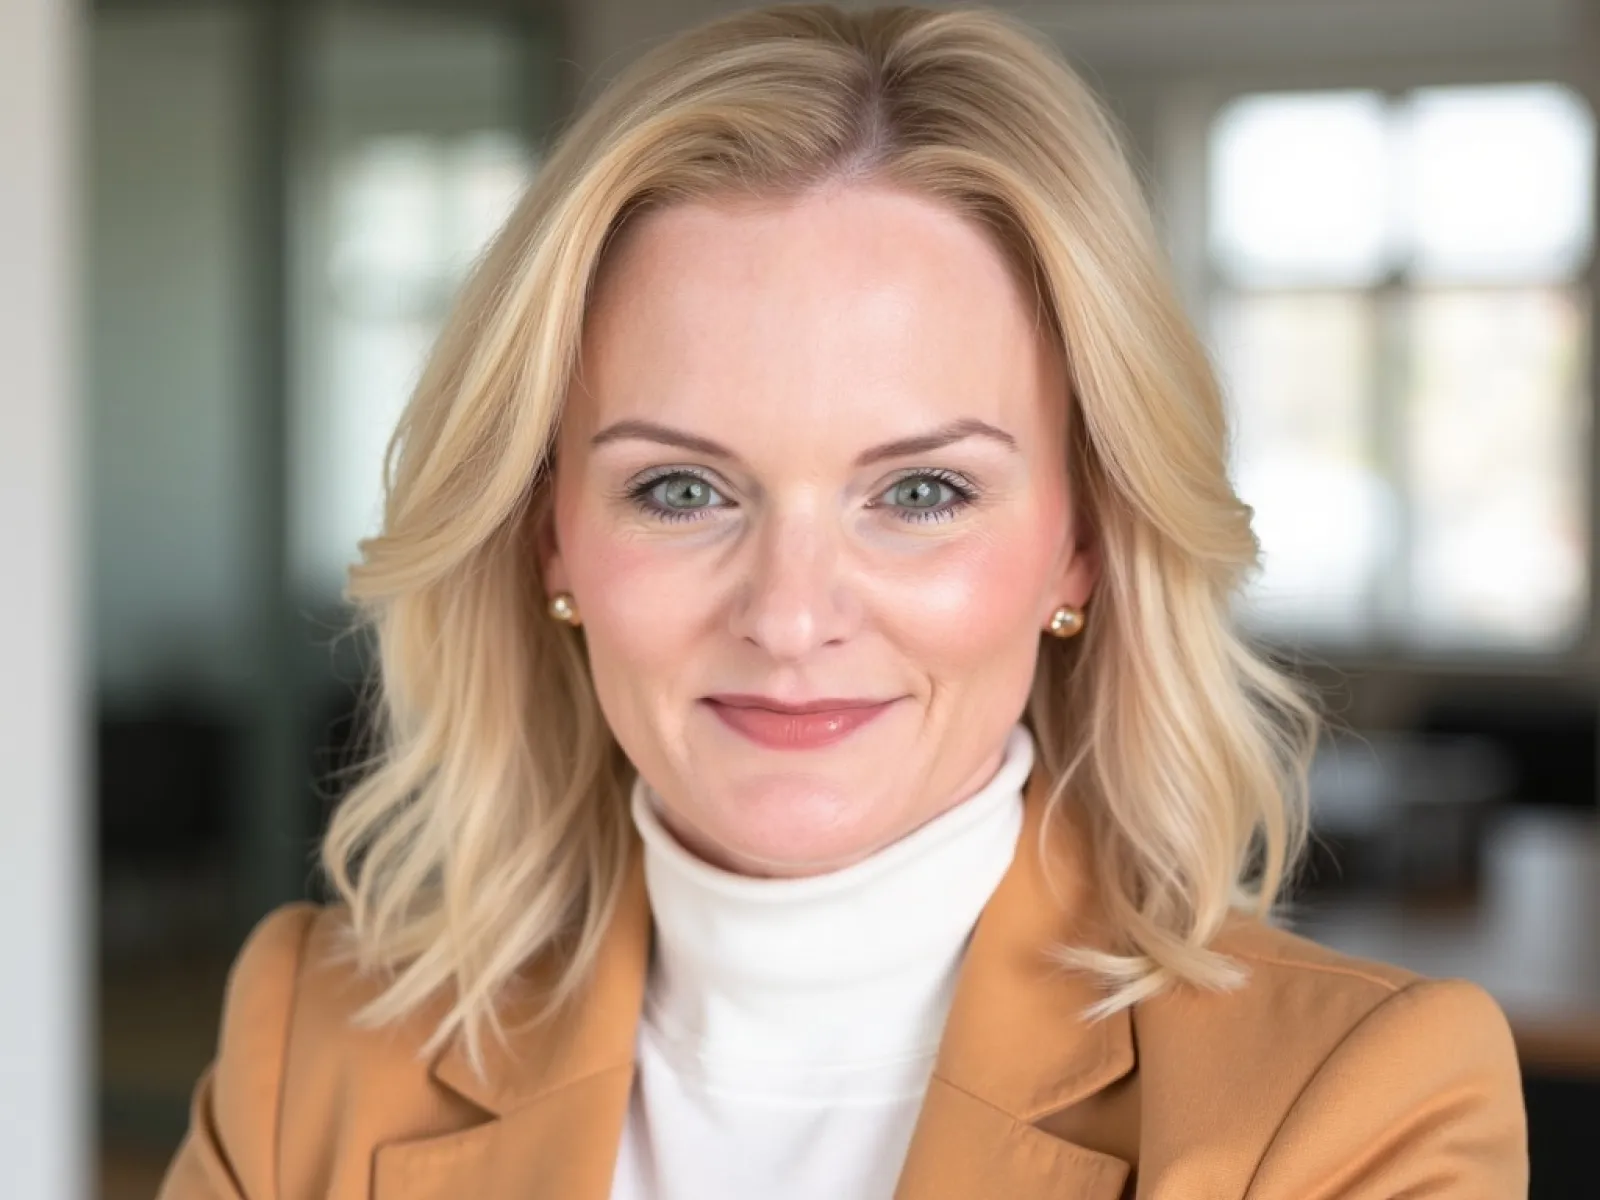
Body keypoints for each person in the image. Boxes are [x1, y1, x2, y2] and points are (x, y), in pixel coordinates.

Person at [157, 5, 1528, 1197]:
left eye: (921, 493)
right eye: (682, 490)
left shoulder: (1351, 1106)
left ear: (1083, 548)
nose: (791, 616)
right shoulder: (316, 1041)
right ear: (547, 539)